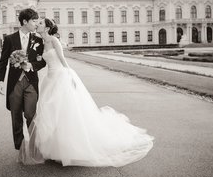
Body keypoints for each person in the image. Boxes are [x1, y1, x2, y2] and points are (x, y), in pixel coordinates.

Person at [19, 18, 154, 167]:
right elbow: (43, 61)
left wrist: (70, 76)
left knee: (64, 111)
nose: (38, 25)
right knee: (51, 111)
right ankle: (53, 147)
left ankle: (69, 148)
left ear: (47, 28)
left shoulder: (54, 41)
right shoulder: (42, 42)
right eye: (37, 23)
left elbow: (63, 60)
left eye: (41, 23)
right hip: (49, 79)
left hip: (60, 77)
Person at [0, 8, 46, 150]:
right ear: (25, 21)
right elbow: (3, 61)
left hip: (31, 82)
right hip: (15, 83)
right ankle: (20, 148)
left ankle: (34, 145)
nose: (36, 24)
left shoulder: (38, 40)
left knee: (31, 115)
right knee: (16, 117)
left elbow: (42, 61)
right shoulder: (9, 39)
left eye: (37, 21)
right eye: (34, 21)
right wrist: (0, 80)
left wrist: (32, 65)